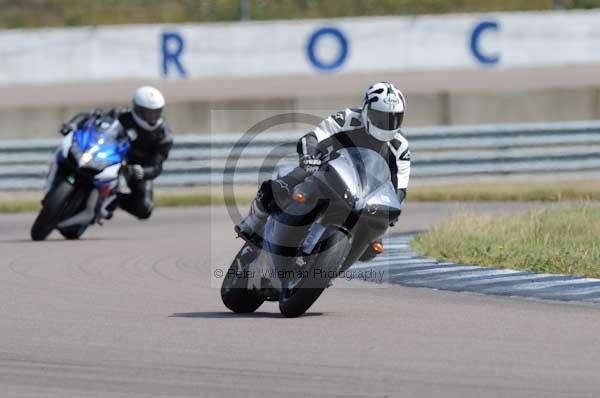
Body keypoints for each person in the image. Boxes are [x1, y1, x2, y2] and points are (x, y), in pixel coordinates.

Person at [235, 81, 411, 247]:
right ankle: (253, 222)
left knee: (374, 243)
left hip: (364, 192)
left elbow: (400, 188)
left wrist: (392, 209)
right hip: (325, 170)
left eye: (394, 118)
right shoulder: (348, 118)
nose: (388, 124)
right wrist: (308, 157)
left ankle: (330, 265)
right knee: (281, 187)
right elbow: (312, 137)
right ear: (366, 110)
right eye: (380, 117)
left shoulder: (399, 146)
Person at [59, 86, 173, 220]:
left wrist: (142, 172)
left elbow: (157, 166)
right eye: (148, 113)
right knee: (73, 154)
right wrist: (73, 124)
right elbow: (92, 119)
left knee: (145, 209)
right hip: (110, 155)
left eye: (156, 112)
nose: (152, 117)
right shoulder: (121, 115)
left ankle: (114, 202)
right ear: (137, 109)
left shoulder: (164, 135)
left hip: (135, 170)